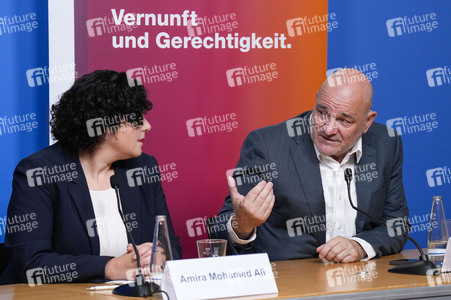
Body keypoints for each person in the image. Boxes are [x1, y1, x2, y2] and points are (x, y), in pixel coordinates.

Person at [0, 70, 182, 285]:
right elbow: (31, 262)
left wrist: (159, 256)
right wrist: (109, 268)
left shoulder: (144, 168)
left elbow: (171, 248)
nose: (146, 126)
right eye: (136, 119)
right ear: (103, 125)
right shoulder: (38, 171)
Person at [214, 68, 409, 263]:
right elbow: (219, 231)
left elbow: (396, 225)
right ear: (316, 100)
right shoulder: (267, 146)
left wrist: (359, 246)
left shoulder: (386, 143)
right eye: (322, 113)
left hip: (360, 281)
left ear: (367, 122)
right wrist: (242, 225)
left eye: (343, 120)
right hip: (290, 284)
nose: (328, 128)